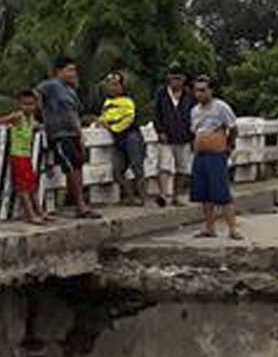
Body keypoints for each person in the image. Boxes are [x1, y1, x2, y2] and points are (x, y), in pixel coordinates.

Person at [35, 56, 97, 220]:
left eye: (74, 70)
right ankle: (80, 205)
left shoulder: (71, 90)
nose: (73, 73)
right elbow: (35, 95)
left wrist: (80, 134)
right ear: (59, 71)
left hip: (73, 133)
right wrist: (38, 116)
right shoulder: (51, 85)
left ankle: (78, 203)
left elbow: (74, 114)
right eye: (69, 70)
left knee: (78, 166)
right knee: (71, 168)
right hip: (59, 133)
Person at [0, 88, 49, 226]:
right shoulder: (18, 116)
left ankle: (40, 211)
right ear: (19, 104)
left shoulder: (31, 118)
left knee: (32, 186)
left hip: (26, 155)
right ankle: (31, 214)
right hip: (18, 155)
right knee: (24, 188)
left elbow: (36, 126)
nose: (28, 107)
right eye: (25, 104)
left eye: (31, 104)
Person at [188, 75, 243, 241]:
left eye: (203, 90)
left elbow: (233, 128)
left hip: (216, 154)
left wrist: (228, 146)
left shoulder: (220, 107)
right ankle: (209, 227)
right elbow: (194, 131)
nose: (200, 94)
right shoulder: (194, 111)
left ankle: (232, 228)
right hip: (200, 154)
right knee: (204, 194)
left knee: (222, 193)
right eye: (197, 90)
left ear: (211, 90)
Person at [95, 71, 147, 207]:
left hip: (131, 136)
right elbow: (105, 116)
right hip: (118, 140)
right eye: (110, 85)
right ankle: (130, 196)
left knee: (137, 167)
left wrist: (112, 128)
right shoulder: (107, 102)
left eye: (115, 85)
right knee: (117, 171)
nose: (112, 88)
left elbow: (128, 119)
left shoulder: (128, 102)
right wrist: (101, 122)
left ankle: (142, 198)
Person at [152, 67, 195, 207]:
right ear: (169, 79)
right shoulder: (161, 93)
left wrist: (193, 134)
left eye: (179, 78)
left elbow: (194, 114)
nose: (176, 81)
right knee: (164, 166)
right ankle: (163, 194)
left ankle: (176, 196)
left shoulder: (189, 95)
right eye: (173, 78)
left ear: (183, 79)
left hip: (184, 135)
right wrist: (160, 131)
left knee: (182, 168)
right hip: (166, 135)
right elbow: (156, 114)